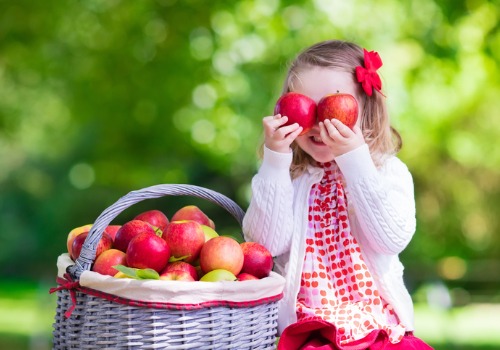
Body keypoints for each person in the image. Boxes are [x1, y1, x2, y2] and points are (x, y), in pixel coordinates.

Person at [242, 40, 433, 349]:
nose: (318, 123)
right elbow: (265, 245)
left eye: (332, 106)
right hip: (310, 331)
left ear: (365, 110)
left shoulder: (387, 171)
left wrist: (355, 158)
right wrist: (275, 158)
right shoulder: (288, 178)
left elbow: (391, 238)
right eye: (305, 108)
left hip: (380, 328)